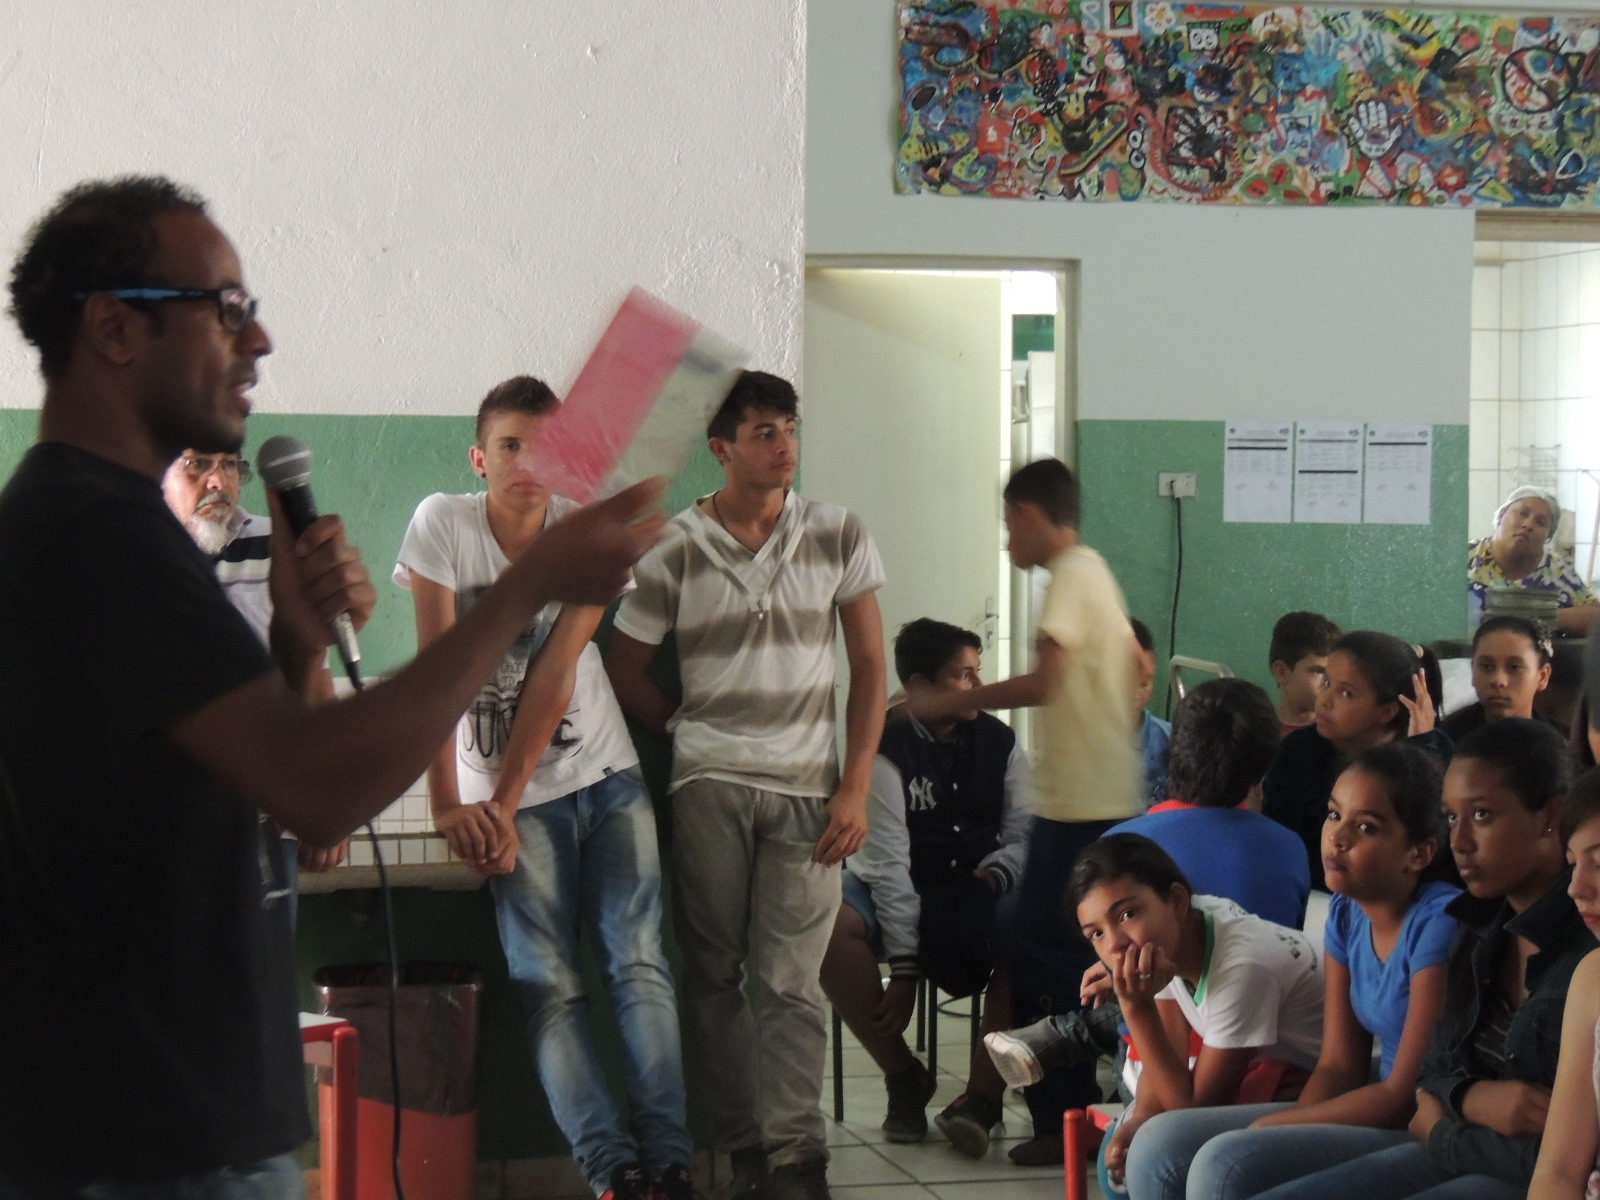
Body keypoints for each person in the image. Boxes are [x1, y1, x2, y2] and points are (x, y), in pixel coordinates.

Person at [0, 175, 661, 1196]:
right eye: (227, 308)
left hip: (178, 1119)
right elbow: (314, 786)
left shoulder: (103, 522)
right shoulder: (97, 534)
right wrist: (526, 586)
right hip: (142, 1139)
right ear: (114, 328)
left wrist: (298, 652)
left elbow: (222, 771)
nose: (258, 341)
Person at [394, 377, 692, 1200]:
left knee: (639, 965)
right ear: (478, 458)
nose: (528, 463)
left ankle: (670, 1169)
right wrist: (451, 803)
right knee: (550, 987)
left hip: (607, 776)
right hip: (508, 804)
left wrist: (498, 798)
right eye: (511, 446)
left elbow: (559, 668)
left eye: (545, 448)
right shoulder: (442, 525)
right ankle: (613, 1173)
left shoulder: (583, 531)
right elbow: (438, 675)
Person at [605, 371, 887, 1200]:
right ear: (721, 448)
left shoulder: (837, 532)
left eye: (790, 427)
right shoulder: (674, 546)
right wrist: (686, 732)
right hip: (709, 787)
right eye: (765, 431)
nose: (784, 445)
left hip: (810, 792)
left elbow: (872, 668)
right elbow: (623, 668)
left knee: (791, 981)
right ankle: (743, 1152)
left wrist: (855, 786)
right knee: (714, 975)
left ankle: (799, 1156)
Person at [907, 456, 1140, 1165]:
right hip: (1094, 805)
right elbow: (1138, 665)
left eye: (1010, 524)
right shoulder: (1095, 574)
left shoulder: (1070, 577)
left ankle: (1060, 1118)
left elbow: (1047, 680)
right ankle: (1041, 1109)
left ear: (1030, 514)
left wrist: (952, 701)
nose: (1008, 539)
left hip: (1078, 813)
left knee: (1043, 958)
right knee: (1053, 955)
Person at [1252, 718, 1591, 1200]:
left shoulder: (1583, 953)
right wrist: (1470, 1097)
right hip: (1462, 1142)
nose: (1460, 841)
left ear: (1550, 817)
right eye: (1451, 818)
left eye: (1482, 815)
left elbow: (1563, 1156)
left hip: (1512, 1171)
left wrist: (1444, 1130)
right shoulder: (1475, 926)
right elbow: (1431, 1075)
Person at [1120, 742, 1460, 1200]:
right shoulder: (1347, 914)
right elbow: (1338, 1066)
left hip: (1421, 1120)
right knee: (1159, 1143)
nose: (1338, 837)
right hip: (1371, 1097)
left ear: (1418, 853)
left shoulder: (1436, 923)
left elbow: (1402, 1095)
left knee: (1226, 1163)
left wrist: (1279, 1127)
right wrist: (1288, 1130)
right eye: (1334, 815)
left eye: (1366, 827)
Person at [981, 678, 1308, 1089]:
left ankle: (1062, 1048)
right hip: (1265, 1050)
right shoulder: (1289, 846)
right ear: (1261, 772)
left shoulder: (1123, 848)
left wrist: (1112, 971)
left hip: (1187, 1048)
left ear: (1173, 749)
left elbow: (1187, 1108)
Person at [822, 618, 1029, 1156]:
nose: (978, 687)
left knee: (1027, 937)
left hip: (979, 882)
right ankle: (903, 1076)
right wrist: (906, 971)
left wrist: (995, 875)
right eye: (964, 676)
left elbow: (1025, 834)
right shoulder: (883, 748)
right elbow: (889, 867)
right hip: (899, 881)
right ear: (919, 687)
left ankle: (980, 1100)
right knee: (827, 928)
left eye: (978, 672)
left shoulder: (1000, 740)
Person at [1072, 835, 1324, 1197]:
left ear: (1176, 901)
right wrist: (1141, 1114)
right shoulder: (1178, 933)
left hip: (1325, 1084)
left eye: (1127, 915)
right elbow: (1168, 1060)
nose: (1114, 944)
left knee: (1160, 1154)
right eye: (1096, 933)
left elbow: (1192, 1114)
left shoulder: (1242, 967)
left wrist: (1136, 1007)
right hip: (1271, 1068)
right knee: (1117, 1153)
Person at [162, 448, 348, 885]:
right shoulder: (130, 552)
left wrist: (323, 801)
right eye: (197, 464)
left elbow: (316, 680)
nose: (217, 481)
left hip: (262, 819)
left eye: (229, 465)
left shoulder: (276, 547)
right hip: (159, 817)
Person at [1264, 631, 1449, 892]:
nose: (1325, 700)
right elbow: (1281, 843)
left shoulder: (1436, 756)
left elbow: (1437, 861)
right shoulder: (1298, 751)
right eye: (1326, 682)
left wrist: (1420, 753)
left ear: (1387, 711)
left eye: (1346, 693)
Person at [1527, 768, 1600, 1200]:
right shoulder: (1592, 977)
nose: (1576, 887)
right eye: (1573, 864)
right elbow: (1557, 1174)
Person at [1468, 486, 1599, 635]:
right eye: (1523, 513)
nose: (1528, 525)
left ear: (1547, 537)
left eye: (1540, 522)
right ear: (1501, 515)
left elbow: (1596, 617)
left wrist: (1545, 617)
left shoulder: (1557, 570)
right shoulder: (1464, 557)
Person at [1440, 616, 1556, 741]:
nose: (1498, 681)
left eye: (1514, 667)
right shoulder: (1444, 741)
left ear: (1542, 676)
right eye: (1486, 666)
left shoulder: (1559, 745)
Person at [1269, 612, 1342, 735]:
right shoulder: (1256, 734)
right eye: (1319, 671)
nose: (1330, 682)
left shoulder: (1343, 736)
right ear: (1281, 672)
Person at [1132, 618, 1172, 810]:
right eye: (1125, 680)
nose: (1135, 693)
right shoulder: (1082, 745)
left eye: (1145, 683)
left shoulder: (1170, 741)